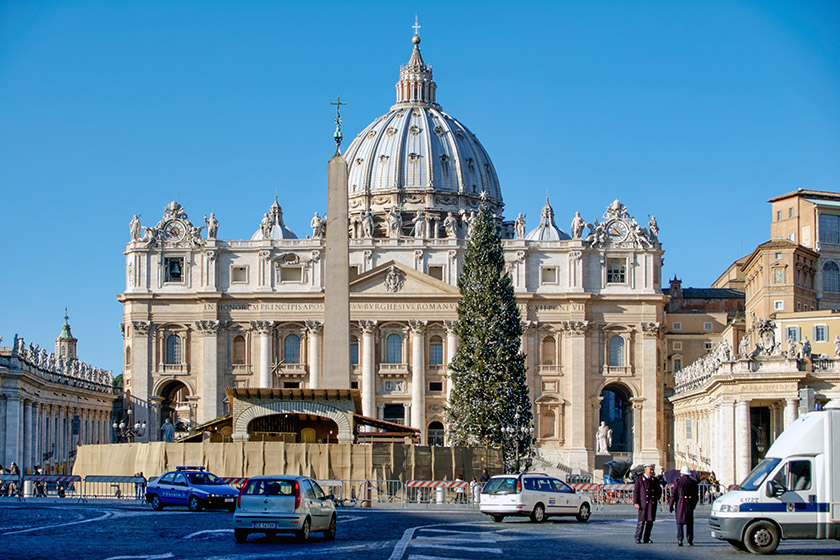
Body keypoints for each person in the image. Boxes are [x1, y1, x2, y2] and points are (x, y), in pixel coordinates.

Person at [669, 466, 699, 546]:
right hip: (689, 504)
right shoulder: (693, 482)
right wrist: (693, 505)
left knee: (680, 523)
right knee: (689, 523)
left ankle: (680, 539)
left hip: (680, 503)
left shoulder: (678, 481)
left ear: (682, 473)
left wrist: (671, 505)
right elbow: (696, 496)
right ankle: (689, 540)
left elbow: (674, 494)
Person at [633, 464, 662, 544]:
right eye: (650, 470)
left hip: (651, 503)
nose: (652, 471)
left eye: (652, 470)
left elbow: (659, 490)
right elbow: (636, 492)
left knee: (650, 521)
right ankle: (638, 537)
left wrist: (657, 498)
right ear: (646, 470)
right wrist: (636, 502)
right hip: (643, 503)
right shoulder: (639, 480)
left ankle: (647, 537)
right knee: (641, 522)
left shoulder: (654, 480)